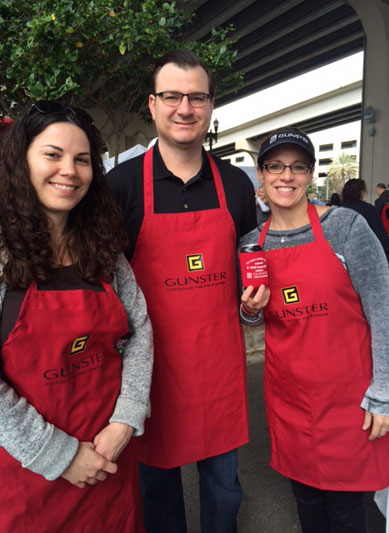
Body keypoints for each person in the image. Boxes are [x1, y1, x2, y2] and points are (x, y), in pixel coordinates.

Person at [107, 49, 257, 533]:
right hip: (150, 371)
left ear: (211, 106)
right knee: (156, 489)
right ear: (152, 105)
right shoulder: (120, 187)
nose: (184, 108)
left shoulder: (235, 185)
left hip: (218, 368)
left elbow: (251, 276)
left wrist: (256, 308)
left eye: (196, 97)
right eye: (172, 96)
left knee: (224, 488)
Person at [0, 101, 153, 532]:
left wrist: (126, 417)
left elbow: (139, 329)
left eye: (82, 159)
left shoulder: (103, 250)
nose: (69, 170)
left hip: (109, 461)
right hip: (28, 475)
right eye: (52, 154)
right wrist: (60, 455)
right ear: (21, 161)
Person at [240, 127, 389, 533]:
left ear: (311, 175)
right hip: (290, 402)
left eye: (297, 167)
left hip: (349, 403)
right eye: (275, 166)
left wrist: (383, 392)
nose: (285, 176)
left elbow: (382, 311)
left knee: (347, 514)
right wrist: (251, 311)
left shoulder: (344, 227)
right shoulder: (251, 245)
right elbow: (255, 318)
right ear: (261, 173)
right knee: (307, 504)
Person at [342, 178, 389, 262]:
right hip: (363, 253)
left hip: (341, 254)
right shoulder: (367, 209)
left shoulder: (338, 209)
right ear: (362, 192)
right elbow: (378, 232)